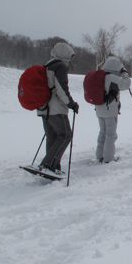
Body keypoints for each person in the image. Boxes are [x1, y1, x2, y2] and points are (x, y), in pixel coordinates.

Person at [37, 41, 79, 176]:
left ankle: (53, 166)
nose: (70, 58)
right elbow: (61, 90)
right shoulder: (59, 66)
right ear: (64, 54)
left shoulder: (47, 65)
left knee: (53, 136)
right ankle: (48, 164)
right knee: (66, 135)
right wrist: (71, 104)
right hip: (55, 109)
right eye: (70, 55)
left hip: (43, 107)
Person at [94, 56, 132, 163]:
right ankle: (108, 159)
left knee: (102, 132)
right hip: (109, 111)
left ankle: (99, 155)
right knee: (110, 135)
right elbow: (127, 83)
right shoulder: (111, 78)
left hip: (99, 110)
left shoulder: (100, 75)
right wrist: (124, 72)